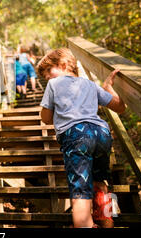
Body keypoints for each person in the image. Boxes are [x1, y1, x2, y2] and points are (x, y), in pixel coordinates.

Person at [36, 48, 126, 228]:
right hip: (102, 133)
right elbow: (120, 107)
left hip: (76, 135)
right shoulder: (91, 85)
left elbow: (45, 118)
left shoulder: (54, 85)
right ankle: (107, 221)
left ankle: (83, 225)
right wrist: (108, 88)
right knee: (101, 180)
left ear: (63, 65)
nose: (47, 78)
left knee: (80, 187)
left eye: (48, 72)